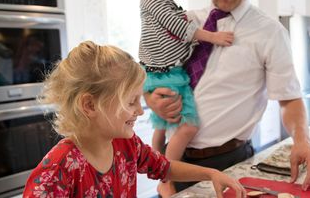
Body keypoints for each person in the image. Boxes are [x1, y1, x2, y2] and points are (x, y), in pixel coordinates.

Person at [144, 0, 310, 192]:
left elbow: (289, 98)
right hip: (171, 162)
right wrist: (151, 98)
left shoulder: (269, 32)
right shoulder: (186, 20)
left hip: (228, 163)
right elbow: (152, 65)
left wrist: (302, 140)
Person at [22, 41, 246, 198]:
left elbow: (164, 168)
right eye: (131, 102)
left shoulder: (126, 145)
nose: (140, 111)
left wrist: (211, 174)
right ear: (90, 105)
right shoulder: (59, 169)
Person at [133, 0, 234, 197]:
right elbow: (178, 28)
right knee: (188, 126)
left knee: (160, 127)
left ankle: (158, 171)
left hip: (161, 71)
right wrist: (212, 37)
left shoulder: (164, 1)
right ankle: (166, 175)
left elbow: (175, 36)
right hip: (167, 74)